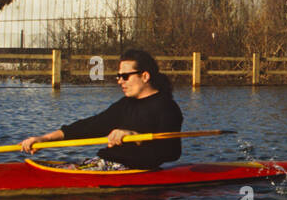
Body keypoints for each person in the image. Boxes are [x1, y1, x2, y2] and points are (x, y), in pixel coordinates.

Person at [20, 49, 183, 169]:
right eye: (118, 76)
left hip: (130, 170)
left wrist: (135, 136)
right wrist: (45, 139)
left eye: (125, 76)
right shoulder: (126, 104)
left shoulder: (167, 108)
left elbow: (171, 151)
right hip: (105, 164)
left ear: (145, 76)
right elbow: (90, 126)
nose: (120, 81)